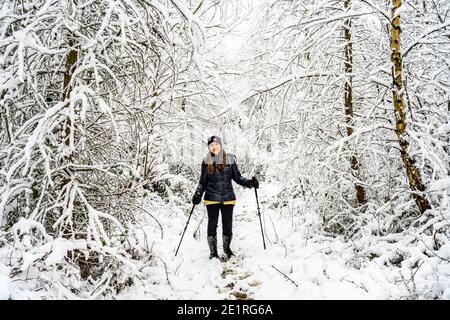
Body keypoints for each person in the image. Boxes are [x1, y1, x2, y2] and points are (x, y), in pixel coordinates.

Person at [192, 136, 259, 260]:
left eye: (216, 144)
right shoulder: (206, 161)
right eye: (211, 145)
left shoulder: (230, 159)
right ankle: (213, 253)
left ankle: (227, 249)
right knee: (212, 225)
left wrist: (250, 183)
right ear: (209, 147)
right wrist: (197, 194)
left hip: (228, 198)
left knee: (227, 224)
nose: (214, 147)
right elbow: (203, 182)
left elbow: (238, 178)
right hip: (211, 198)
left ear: (220, 145)